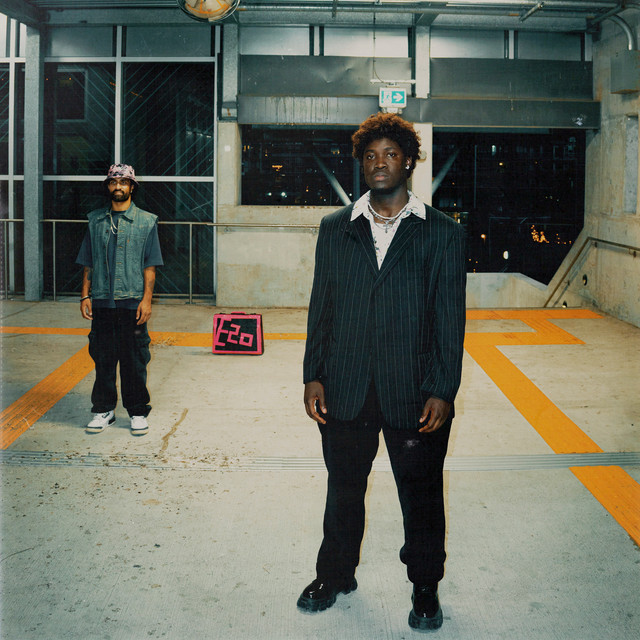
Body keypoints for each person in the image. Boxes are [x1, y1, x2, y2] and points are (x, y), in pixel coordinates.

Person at [297, 113, 466, 632]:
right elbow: (321, 305)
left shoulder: (441, 232)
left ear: (409, 162)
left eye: (391, 154)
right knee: (343, 488)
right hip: (345, 385)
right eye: (370, 155)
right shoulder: (336, 228)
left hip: (412, 391)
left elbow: (449, 319)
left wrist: (442, 389)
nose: (379, 163)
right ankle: (335, 574)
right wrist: (313, 373)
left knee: (421, 495)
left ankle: (425, 586)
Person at [76, 164, 163, 436]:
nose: (118, 186)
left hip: (132, 303)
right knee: (103, 359)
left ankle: (137, 412)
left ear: (132, 187)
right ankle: (104, 410)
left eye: (124, 182)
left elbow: (150, 266)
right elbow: (88, 262)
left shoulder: (147, 222)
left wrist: (147, 300)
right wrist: (85, 295)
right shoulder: (95, 221)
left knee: (134, 360)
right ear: (108, 186)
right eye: (114, 182)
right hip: (102, 301)